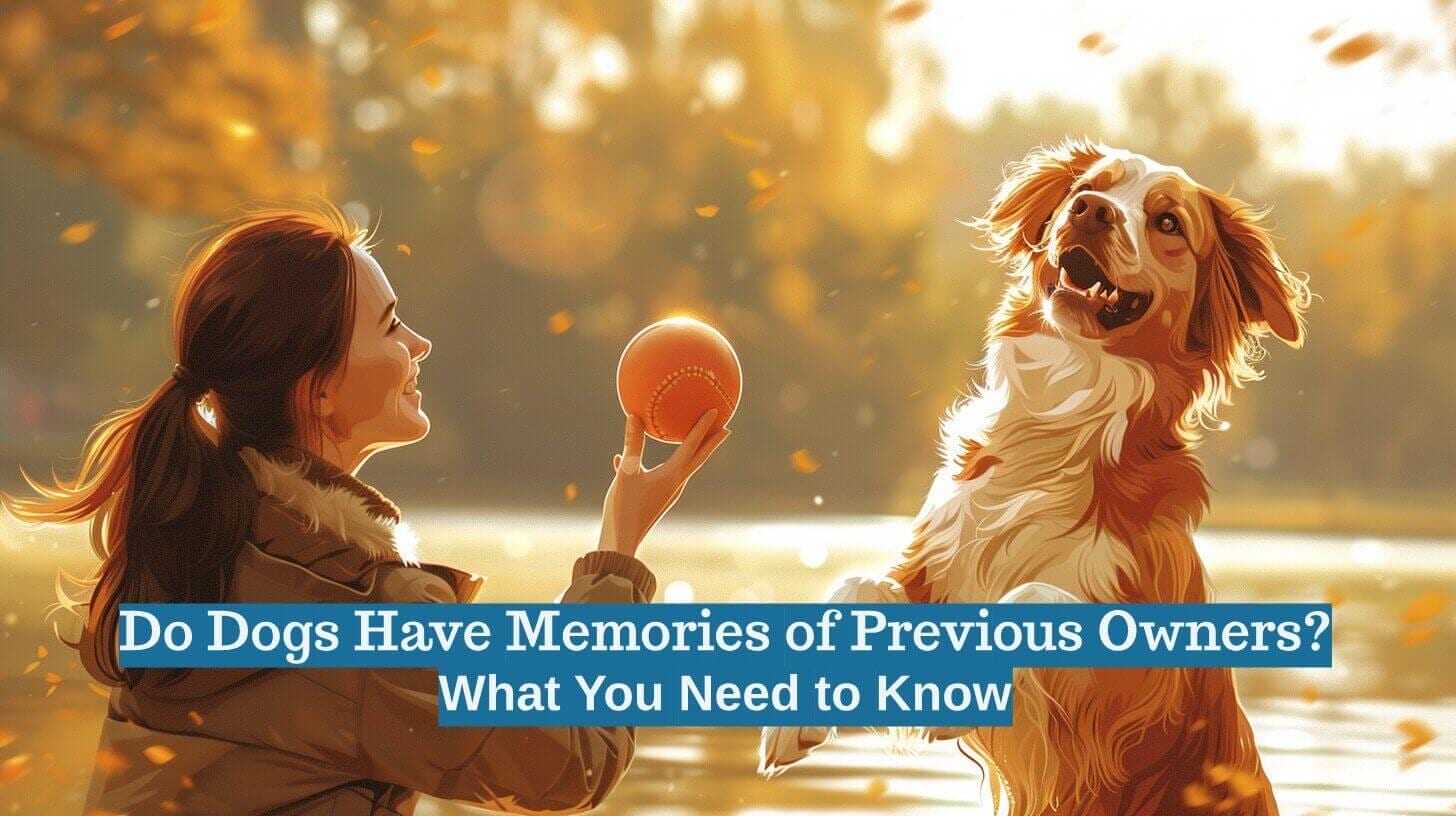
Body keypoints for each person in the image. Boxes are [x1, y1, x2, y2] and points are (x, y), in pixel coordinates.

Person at [1, 203, 729, 815]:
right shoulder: (356, 616)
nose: (420, 344)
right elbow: (571, 762)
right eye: (389, 326)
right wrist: (620, 551)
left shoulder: (201, 546)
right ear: (317, 389)